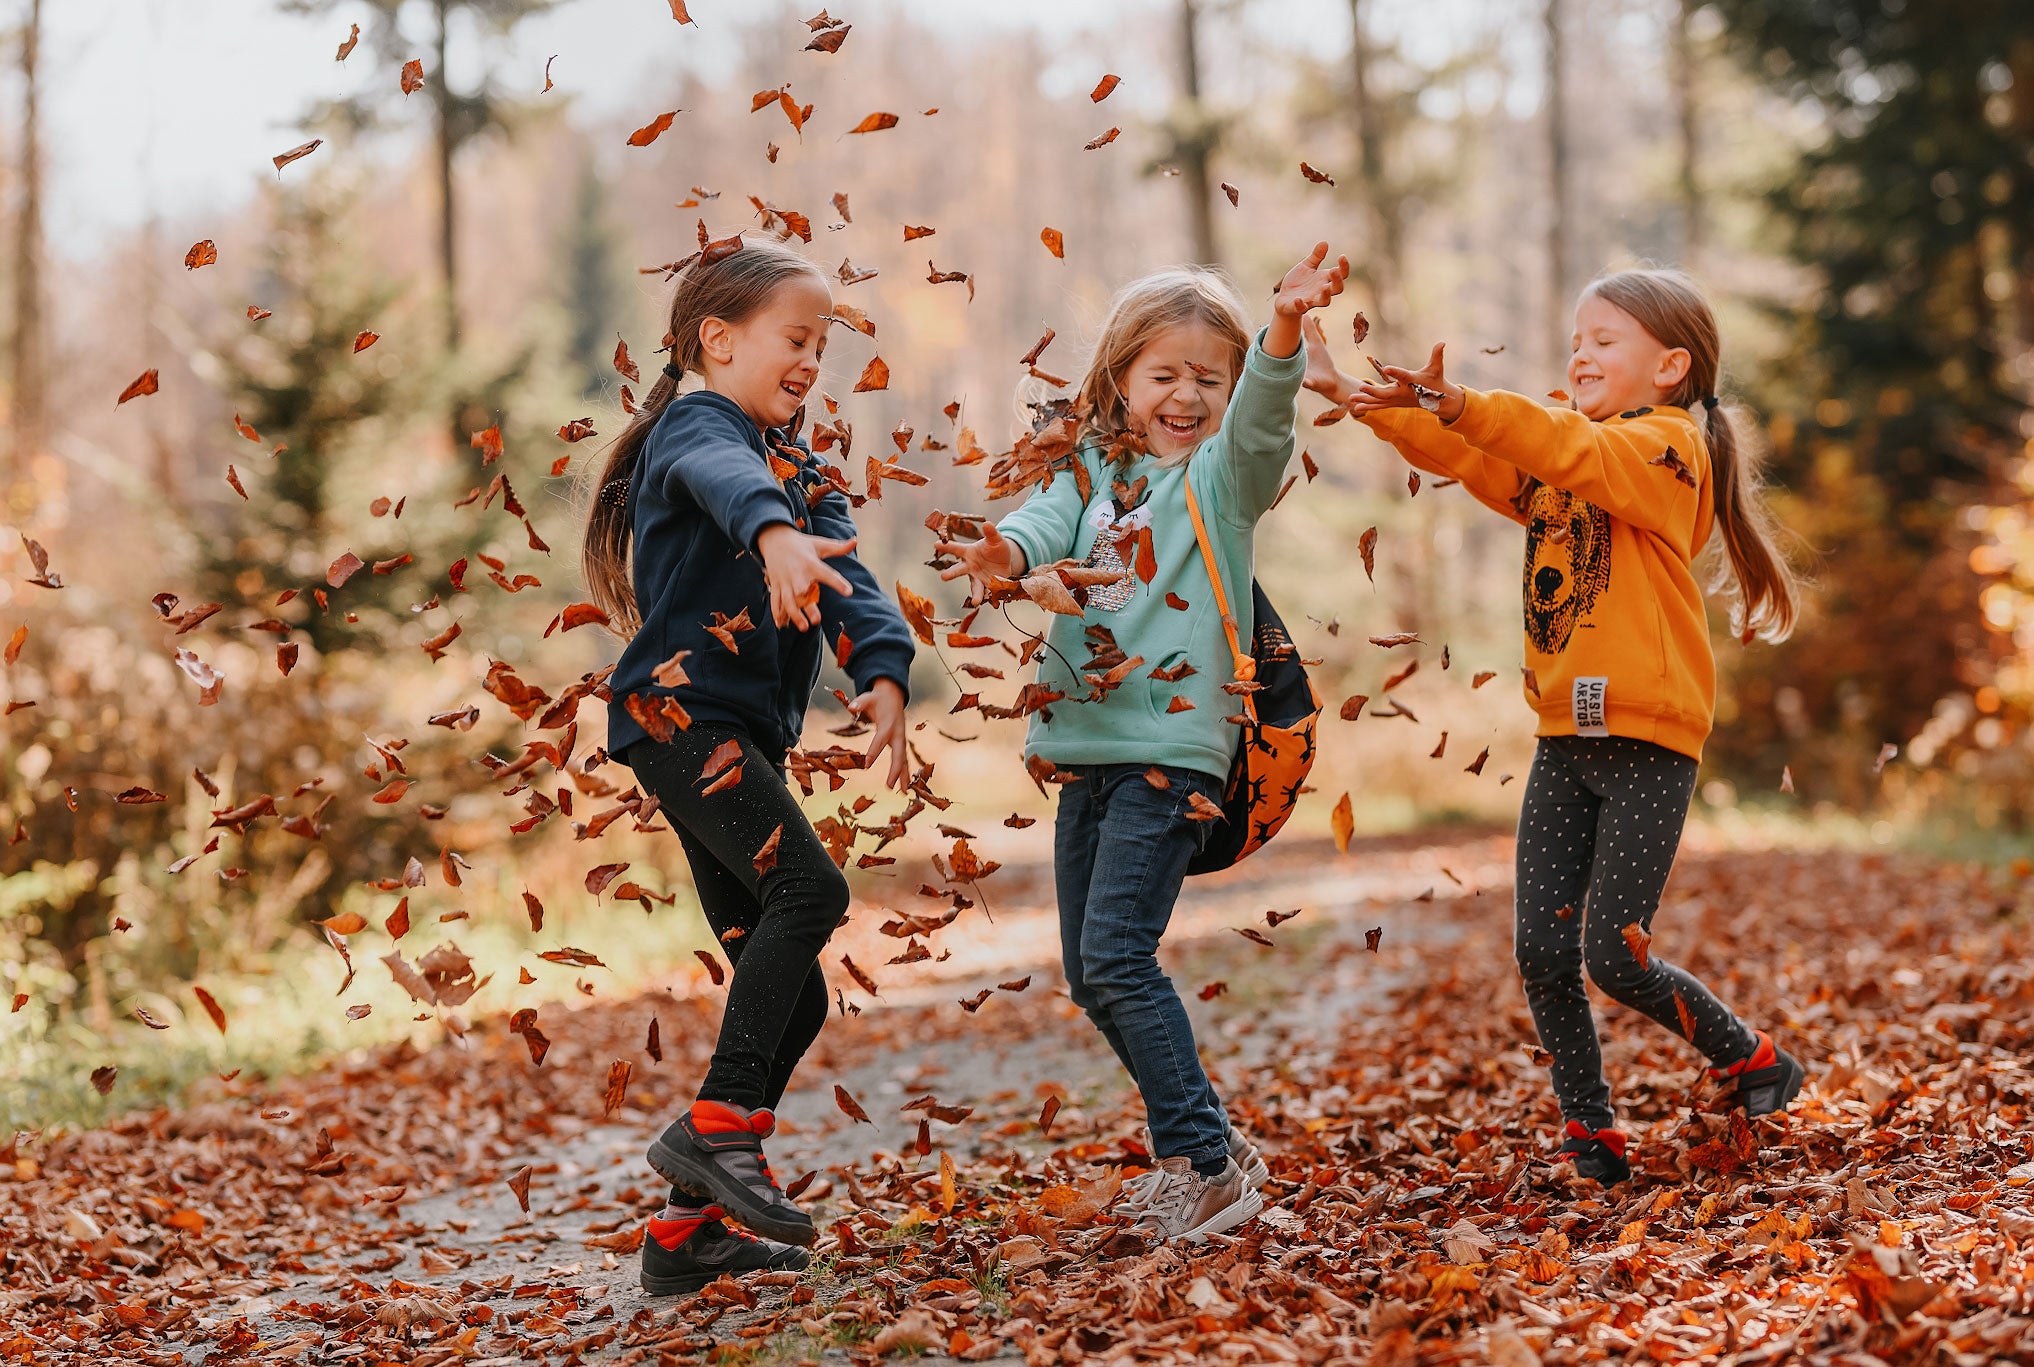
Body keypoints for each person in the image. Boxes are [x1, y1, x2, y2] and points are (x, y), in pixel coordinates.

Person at [1301, 268, 1805, 1185]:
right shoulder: (1574, 457)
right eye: (1577, 337)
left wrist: (1464, 399)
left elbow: (1557, 444)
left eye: (1604, 340)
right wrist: (1358, 399)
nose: (1581, 352)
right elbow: (1482, 460)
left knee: (1615, 953)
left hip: (1649, 740)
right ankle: (1591, 1130)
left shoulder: (1666, 450)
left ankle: (1752, 1056)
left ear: (1671, 367)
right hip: (1564, 740)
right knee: (1540, 948)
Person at [937, 244, 1348, 1243]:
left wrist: (1282, 332)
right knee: (1091, 967)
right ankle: (1214, 1144)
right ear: (1119, 381)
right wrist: (1003, 551)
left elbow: (1264, 419)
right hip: (1088, 742)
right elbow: (1043, 521)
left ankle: (1203, 1163)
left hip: (1174, 747)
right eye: (1163, 373)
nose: (1186, 393)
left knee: (1120, 954)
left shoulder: (1222, 479)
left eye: (1208, 377)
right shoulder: (1092, 469)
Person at [580, 234, 916, 1292]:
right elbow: (725, 480)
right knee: (811, 888)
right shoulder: (698, 427)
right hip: (682, 721)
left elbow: (849, 575)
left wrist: (884, 669)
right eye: (795, 338)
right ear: (717, 341)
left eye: (822, 343)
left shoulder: (800, 466)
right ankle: (721, 1132)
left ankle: (683, 1234)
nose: (813, 359)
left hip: (729, 737)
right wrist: (770, 534)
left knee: (798, 994)